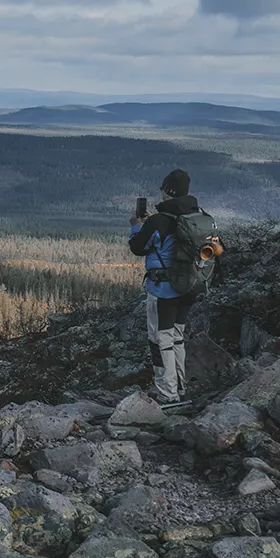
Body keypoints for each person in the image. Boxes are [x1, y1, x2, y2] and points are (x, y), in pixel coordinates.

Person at [128, 169, 201, 403]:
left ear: (168, 191)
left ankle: (167, 393)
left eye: (163, 188)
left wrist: (137, 225)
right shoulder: (196, 215)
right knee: (177, 336)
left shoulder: (159, 221)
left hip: (164, 289)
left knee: (161, 339)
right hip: (190, 287)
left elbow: (138, 247)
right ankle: (180, 387)